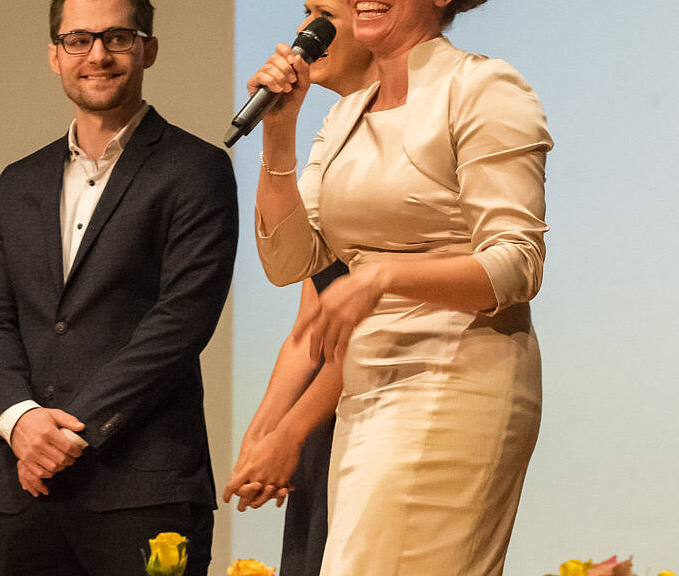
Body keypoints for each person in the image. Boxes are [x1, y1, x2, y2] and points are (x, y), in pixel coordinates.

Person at [233, 0, 553, 574]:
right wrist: (279, 135)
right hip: (367, 388)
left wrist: (384, 276)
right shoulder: (346, 116)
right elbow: (288, 261)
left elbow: (518, 263)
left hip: (456, 375)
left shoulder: (481, 87)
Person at [0, 0, 238, 575]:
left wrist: (67, 436)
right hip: (23, 487)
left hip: (141, 485)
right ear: (54, 55)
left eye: (117, 37)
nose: (97, 54)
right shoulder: (18, 182)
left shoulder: (197, 169)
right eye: (78, 39)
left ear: (148, 49)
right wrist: (19, 420)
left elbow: (181, 323)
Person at [223, 2, 374, 574]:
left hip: (376, 404)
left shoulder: (405, 132)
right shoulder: (337, 131)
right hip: (322, 419)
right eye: (306, 12)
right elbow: (309, 319)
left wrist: (290, 430)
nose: (308, 31)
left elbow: (374, 320)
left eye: (325, 14)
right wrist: (260, 434)